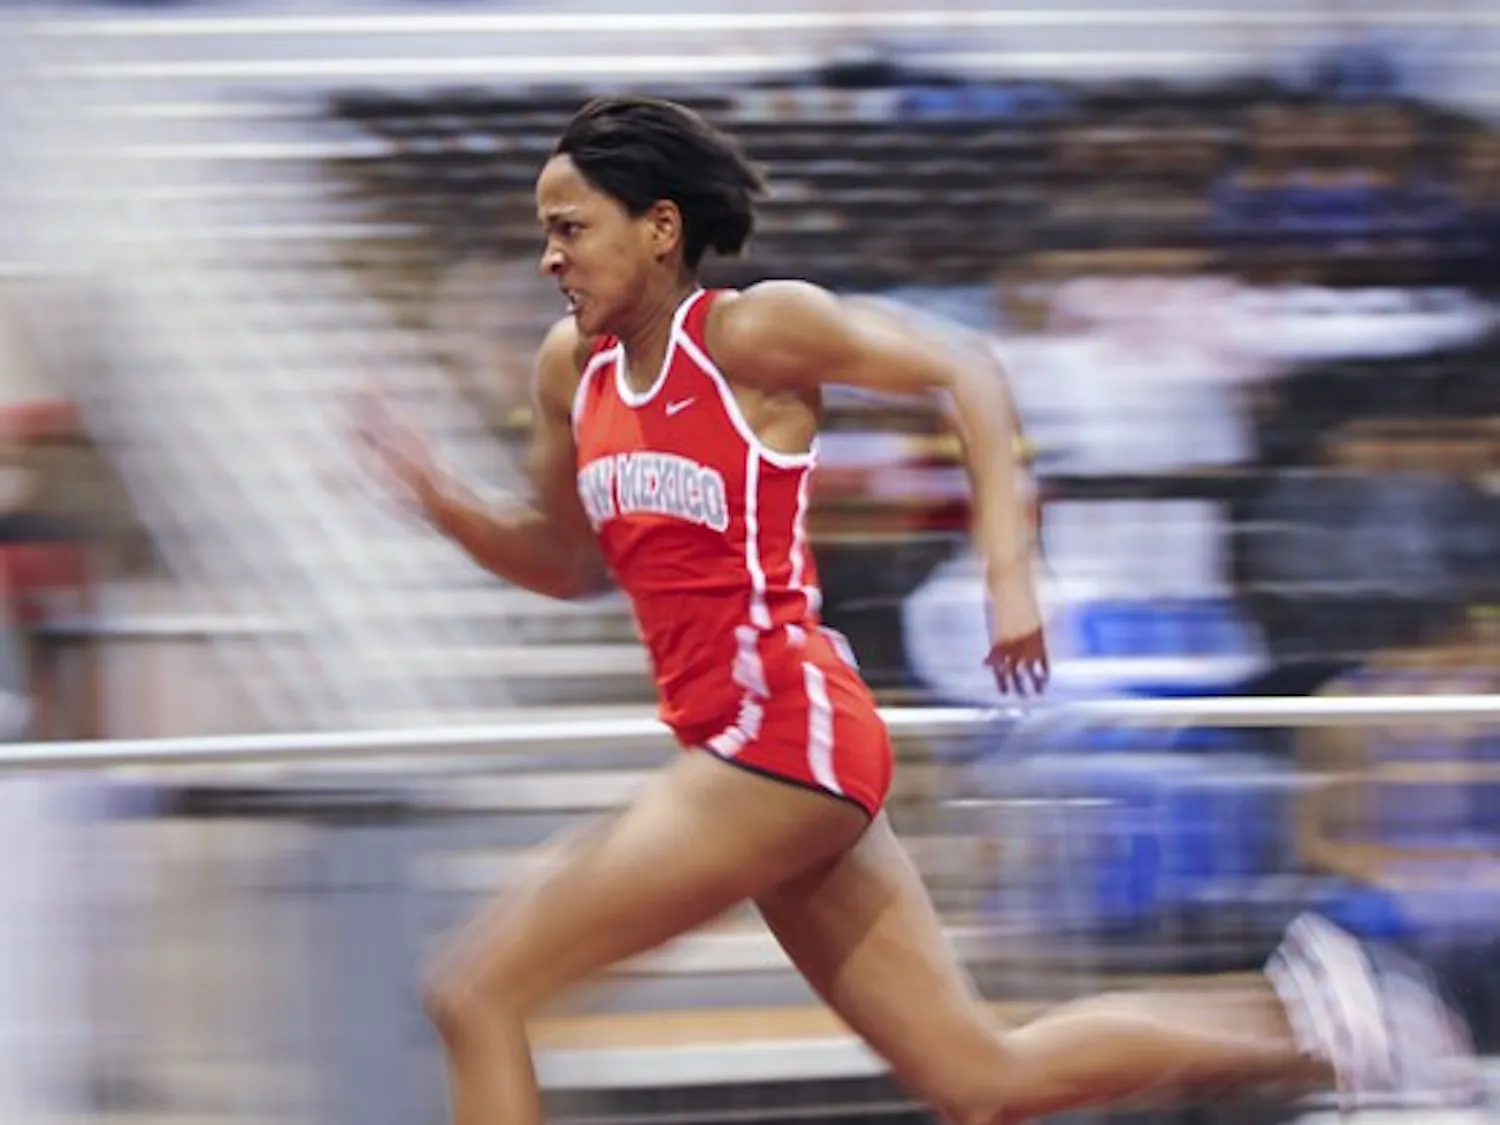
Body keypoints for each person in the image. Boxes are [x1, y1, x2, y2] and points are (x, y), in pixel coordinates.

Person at [354, 95, 1476, 1125]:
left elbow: (966, 369)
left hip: (778, 739)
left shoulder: (752, 334)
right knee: (982, 1081)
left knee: (474, 990)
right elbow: (560, 564)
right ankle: (1324, 1029)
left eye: (571, 227)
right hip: (764, 756)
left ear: (658, 227)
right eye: (542, 232)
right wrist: (437, 500)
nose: (550, 256)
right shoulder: (572, 372)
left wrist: (1009, 570)